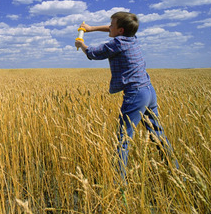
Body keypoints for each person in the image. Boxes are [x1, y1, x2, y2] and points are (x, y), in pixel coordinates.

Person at [75, 11, 178, 181]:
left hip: (136, 94)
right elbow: (111, 28)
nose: (109, 27)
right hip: (148, 90)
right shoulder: (131, 38)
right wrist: (91, 28)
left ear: (120, 30)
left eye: (112, 25)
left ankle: (119, 182)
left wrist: (81, 44)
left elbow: (93, 53)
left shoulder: (117, 43)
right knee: (157, 134)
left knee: (122, 139)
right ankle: (175, 171)